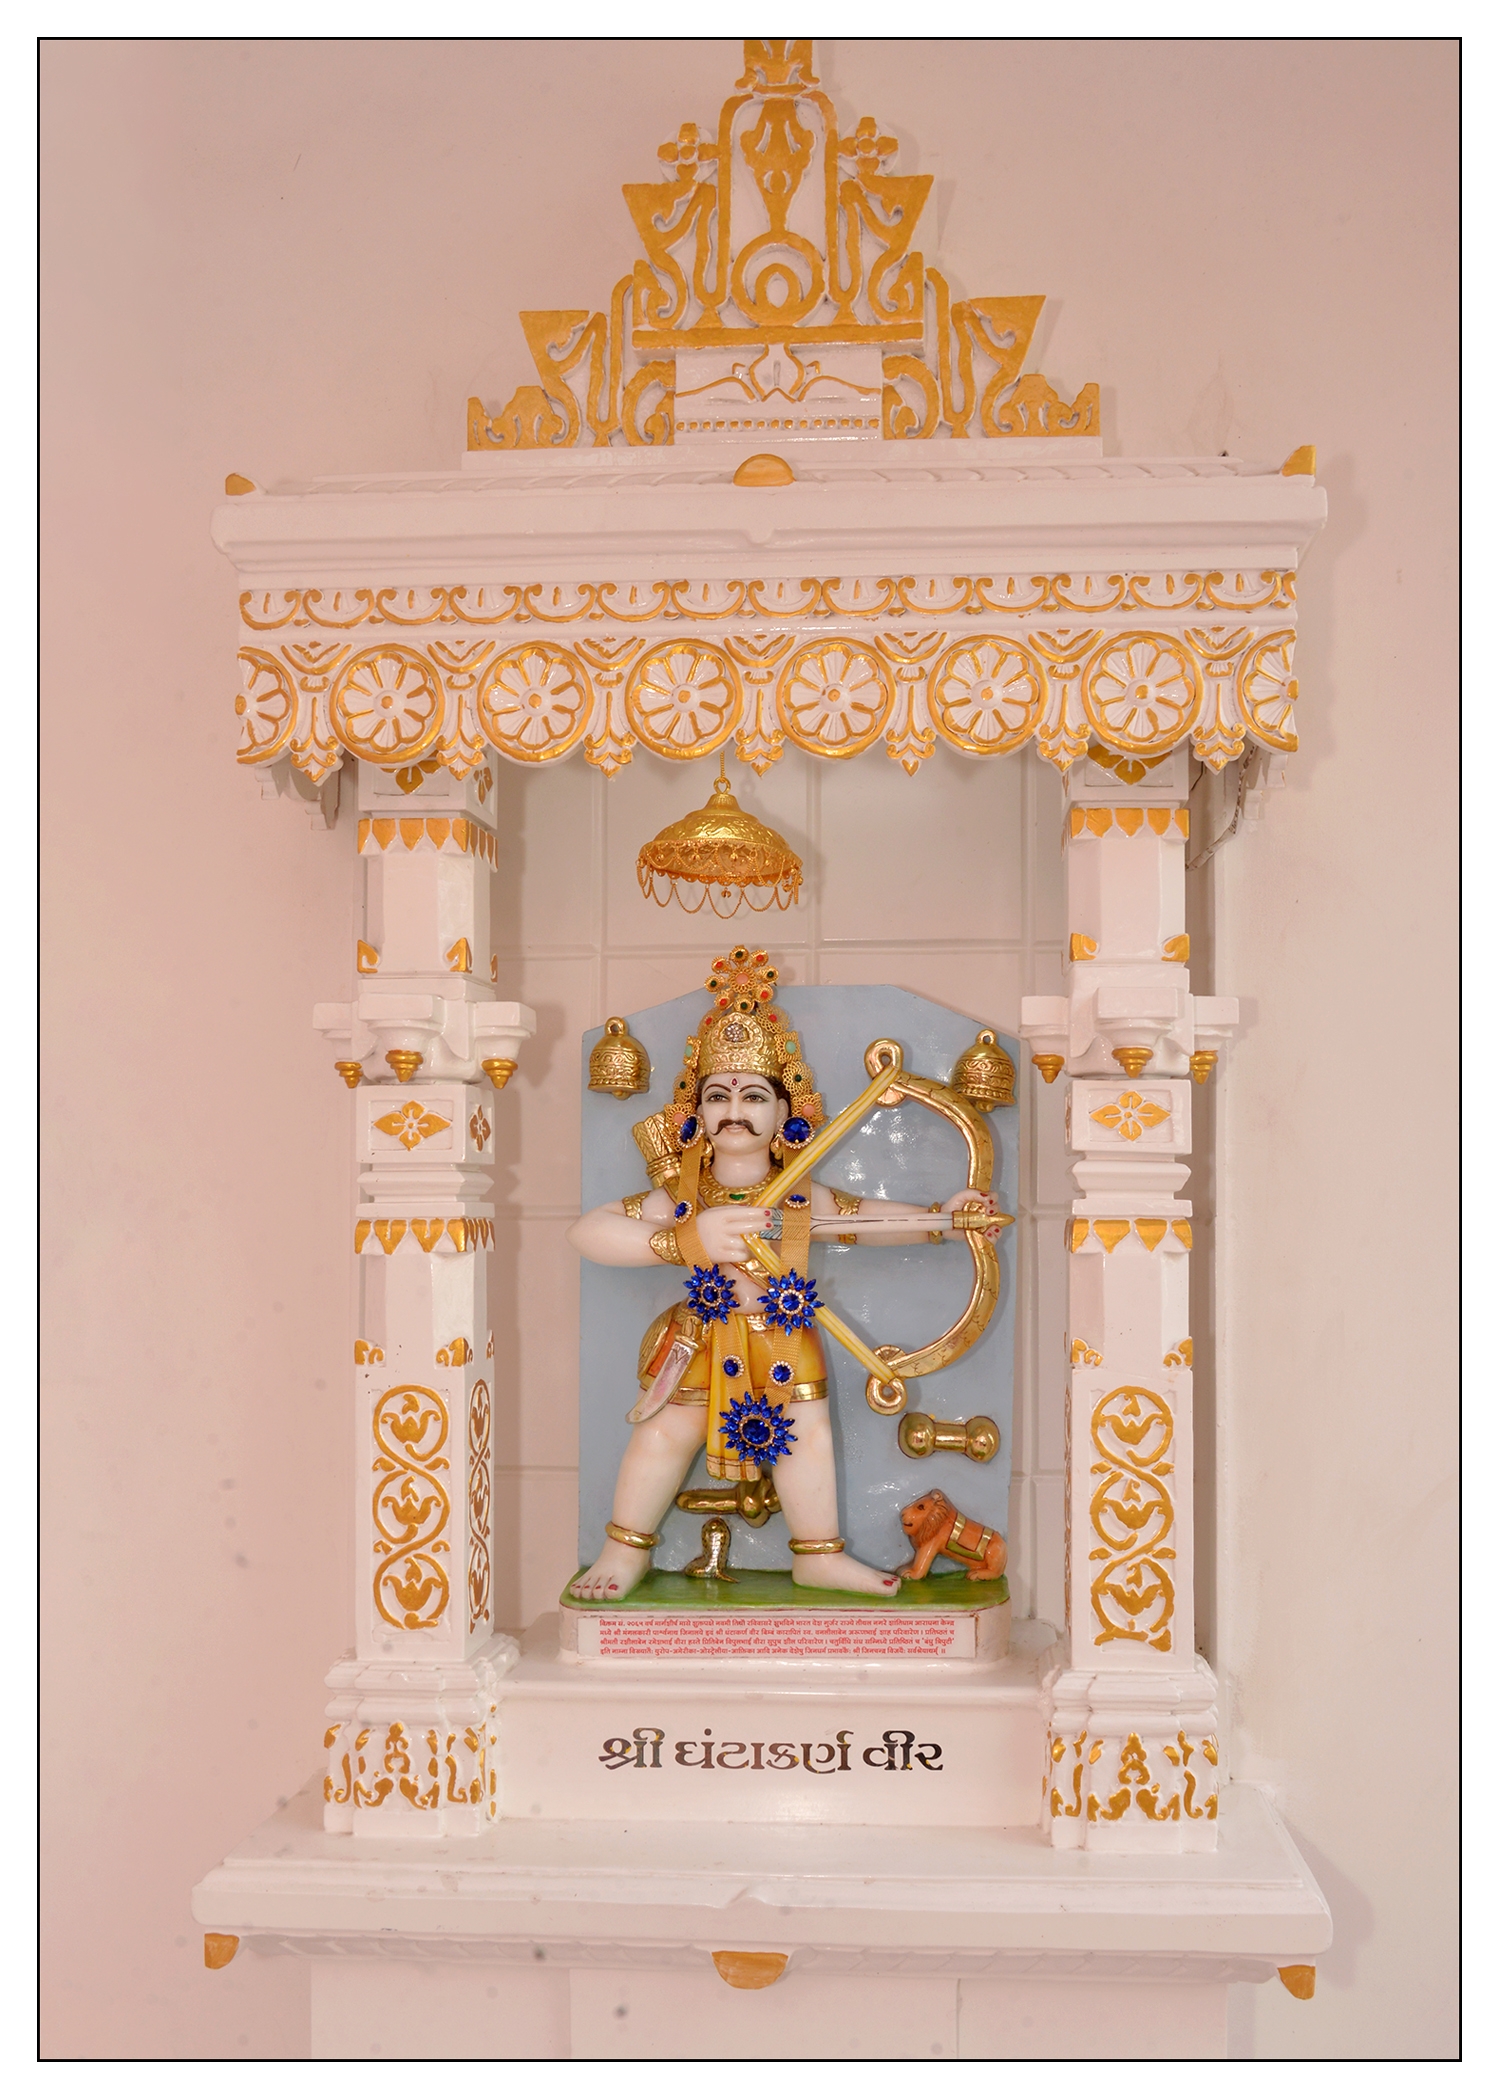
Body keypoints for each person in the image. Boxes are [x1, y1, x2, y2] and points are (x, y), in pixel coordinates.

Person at [567, 947, 1002, 1601]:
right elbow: (589, 1231)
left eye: (753, 1096)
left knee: (808, 1440)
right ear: (696, 1114)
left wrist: (946, 1218)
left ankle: (818, 1556)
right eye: (717, 1096)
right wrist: (684, 1239)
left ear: (782, 1113)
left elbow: (867, 1221)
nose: (733, 1110)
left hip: (784, 1338)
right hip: (699, 1336)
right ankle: (624, 1549)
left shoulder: (800, 1196)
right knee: (663, 1435)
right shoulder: (683, 1193)